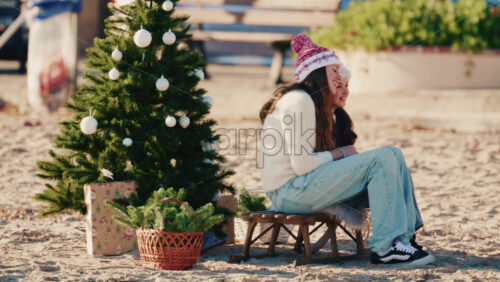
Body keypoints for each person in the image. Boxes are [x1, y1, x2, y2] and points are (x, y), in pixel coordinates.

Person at [258, 34, 435, 267]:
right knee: (382, 158)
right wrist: (341, 153)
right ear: (319, 74)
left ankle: (403, 238)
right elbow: (301, 165)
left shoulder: (324, 110)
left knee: (393, 154)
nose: (340, 76)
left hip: (306, 186)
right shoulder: (299, 101)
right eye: (334, 71)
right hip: (289, 192)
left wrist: (343, 156)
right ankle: (386, 249)